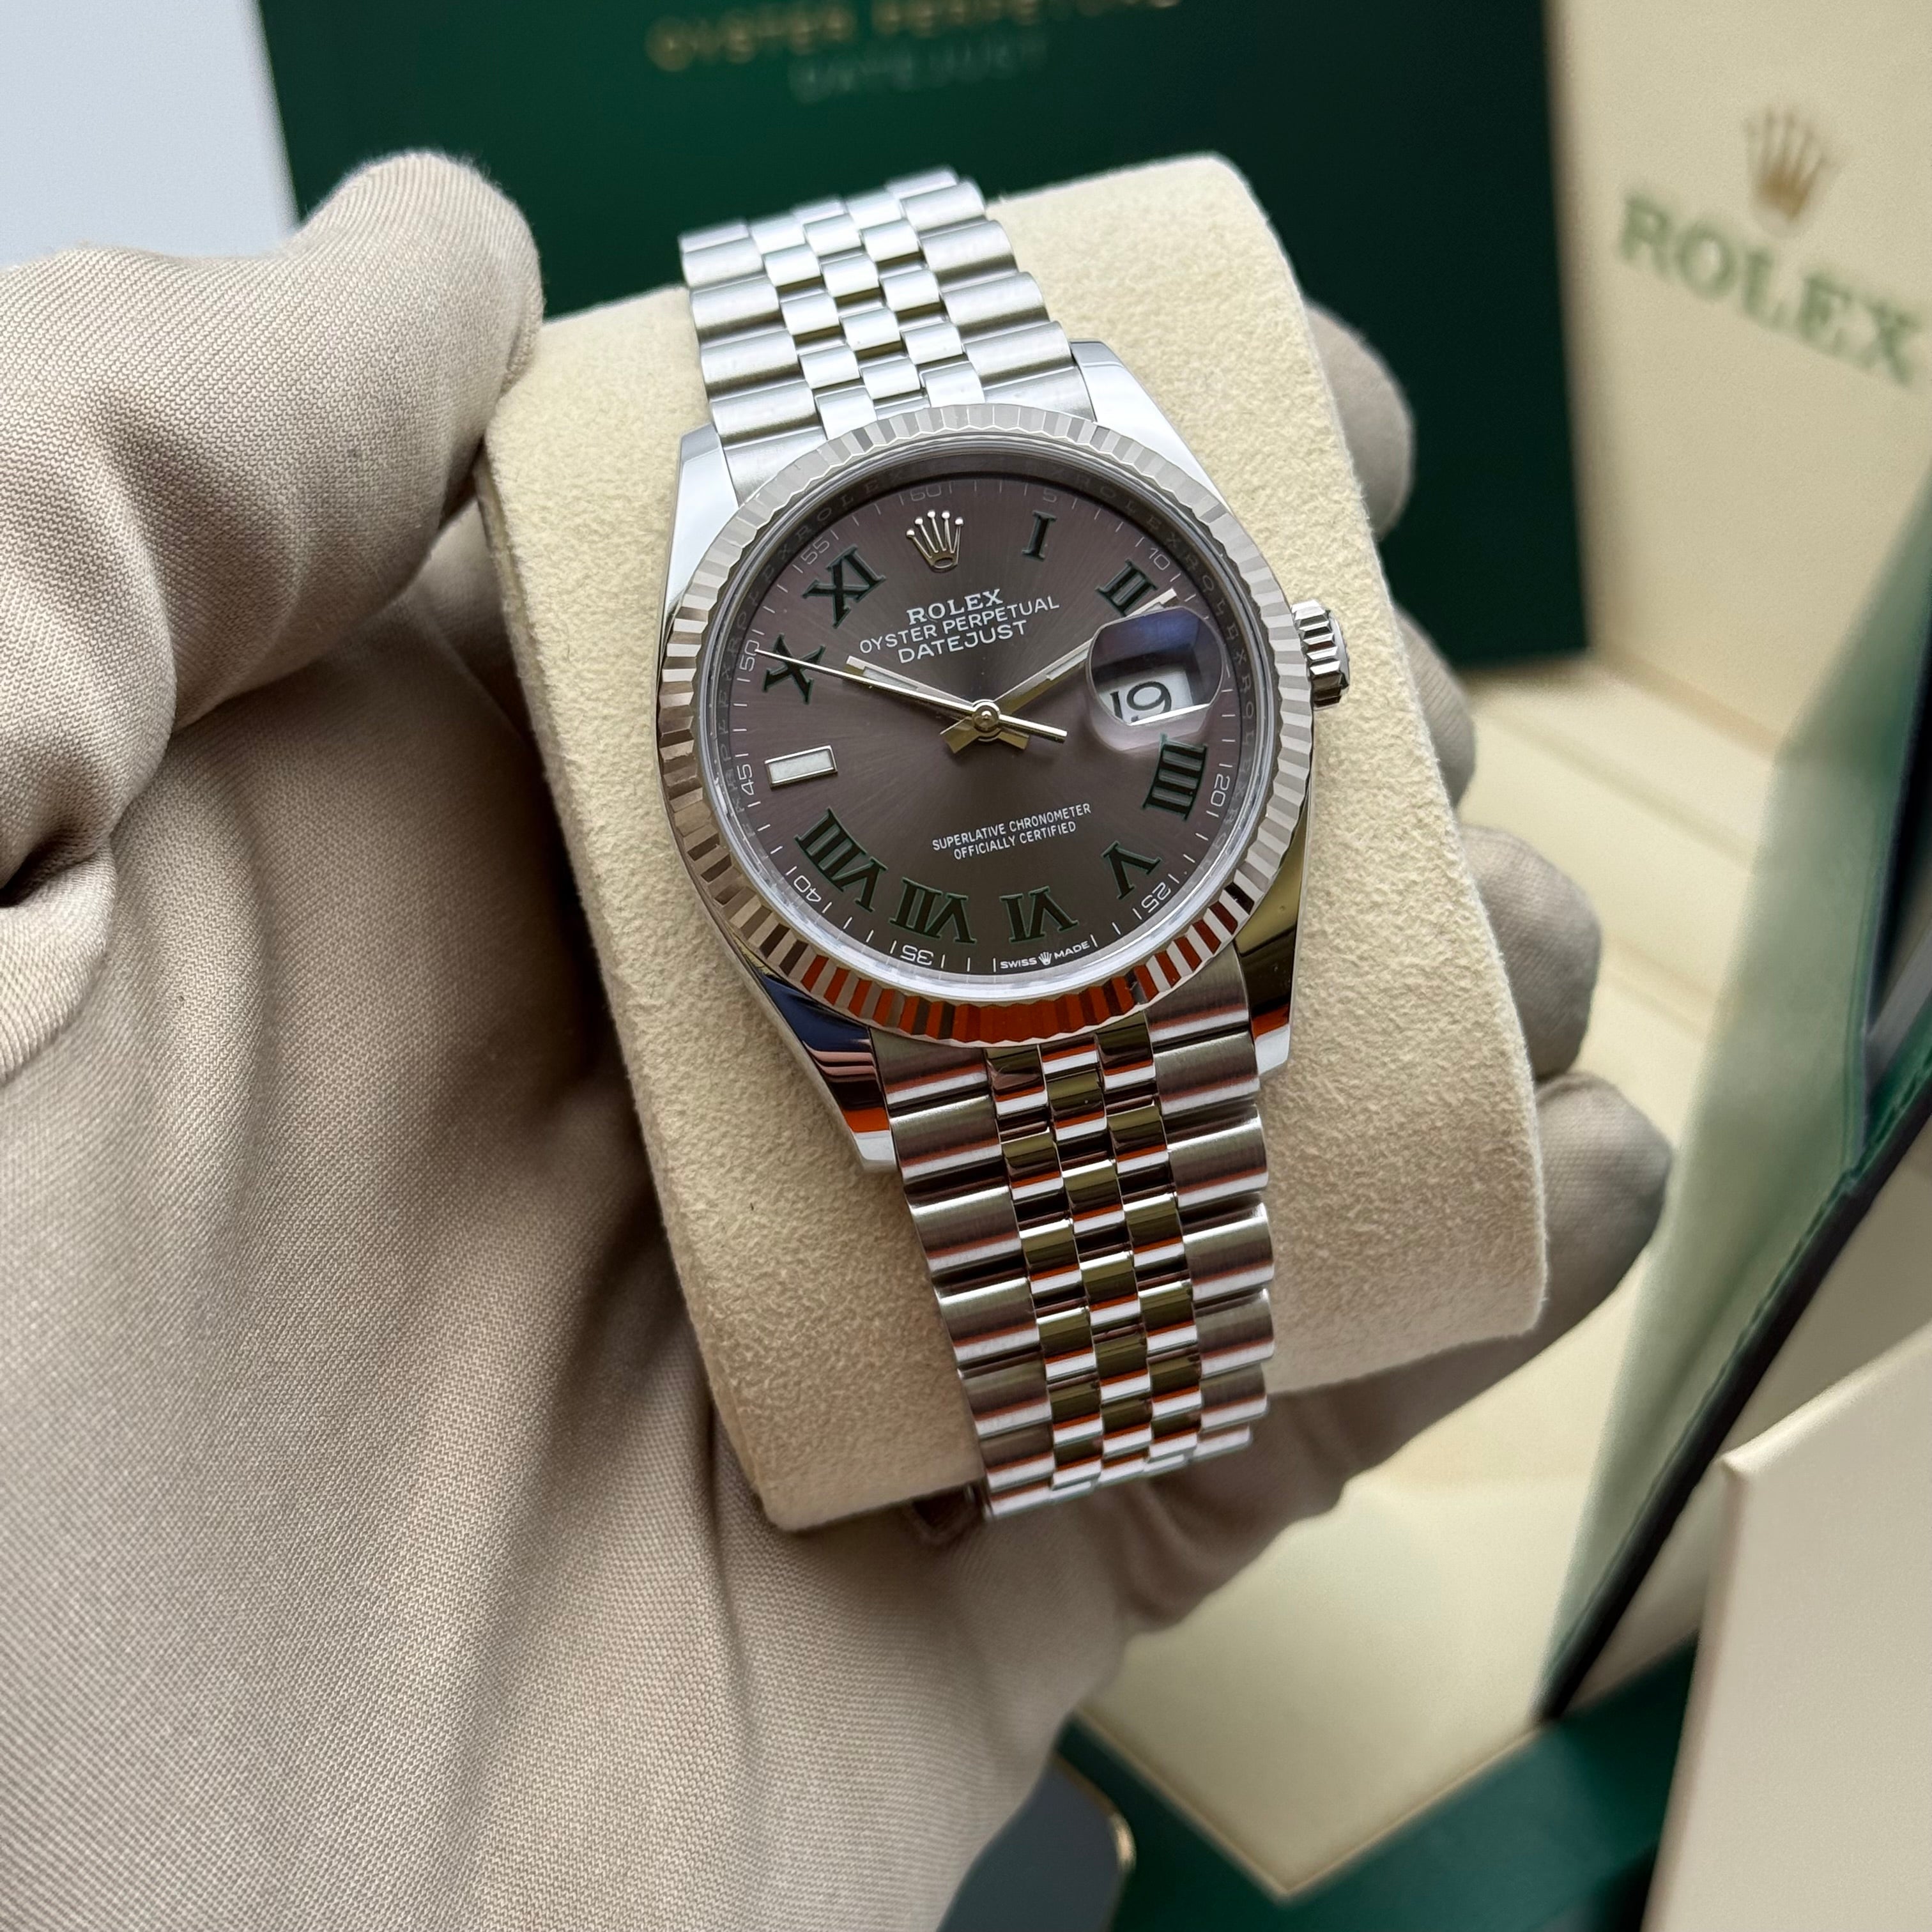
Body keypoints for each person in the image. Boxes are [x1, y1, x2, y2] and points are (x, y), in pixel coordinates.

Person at [0, 155, 1667, 1930]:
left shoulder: (1127, 585)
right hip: (908, 1002)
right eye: (944, 716)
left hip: (1161, 938)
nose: (980, 730)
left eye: (1001, 706)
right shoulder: (744, 768)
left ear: (1289, 651)